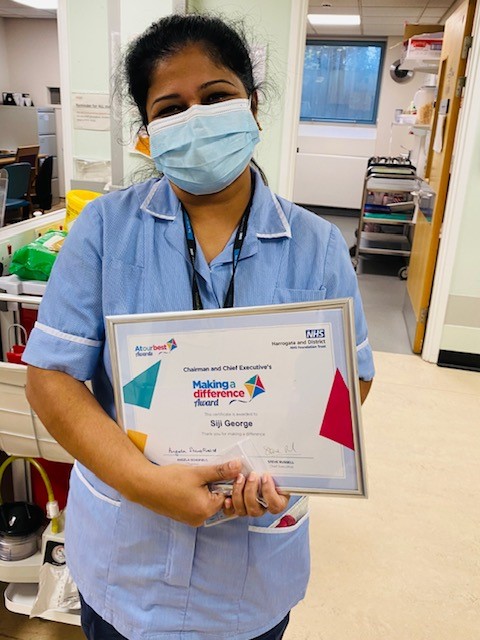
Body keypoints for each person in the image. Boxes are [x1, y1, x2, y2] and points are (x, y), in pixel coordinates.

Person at [23, 14, 374, 640]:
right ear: (148, 133)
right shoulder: (103, 231)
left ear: (252, 105)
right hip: (124, 562)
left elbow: (353, 380)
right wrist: (145, 483)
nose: (197, 117)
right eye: (171, 108)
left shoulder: (317, 245)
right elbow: (52, 377)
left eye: (215, 98)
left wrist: (289, 463)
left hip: (251, 573)